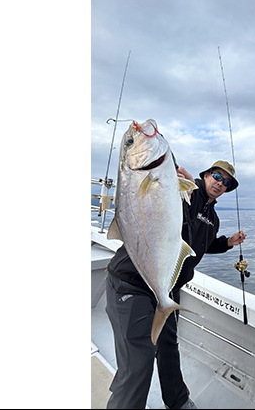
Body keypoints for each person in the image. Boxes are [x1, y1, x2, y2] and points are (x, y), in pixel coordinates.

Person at [105, 160, 247, 409]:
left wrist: (227, 243)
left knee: (168, 346)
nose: (219, 183)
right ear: (205, 176)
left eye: (226, 182)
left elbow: (202, 245)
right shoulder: (182, 193)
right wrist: (176, 179)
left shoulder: (213, 219)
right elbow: (156, 171)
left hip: (166, 289)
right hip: (133, 281)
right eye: (216, 176)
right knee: (139, 362)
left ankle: (178, 400)